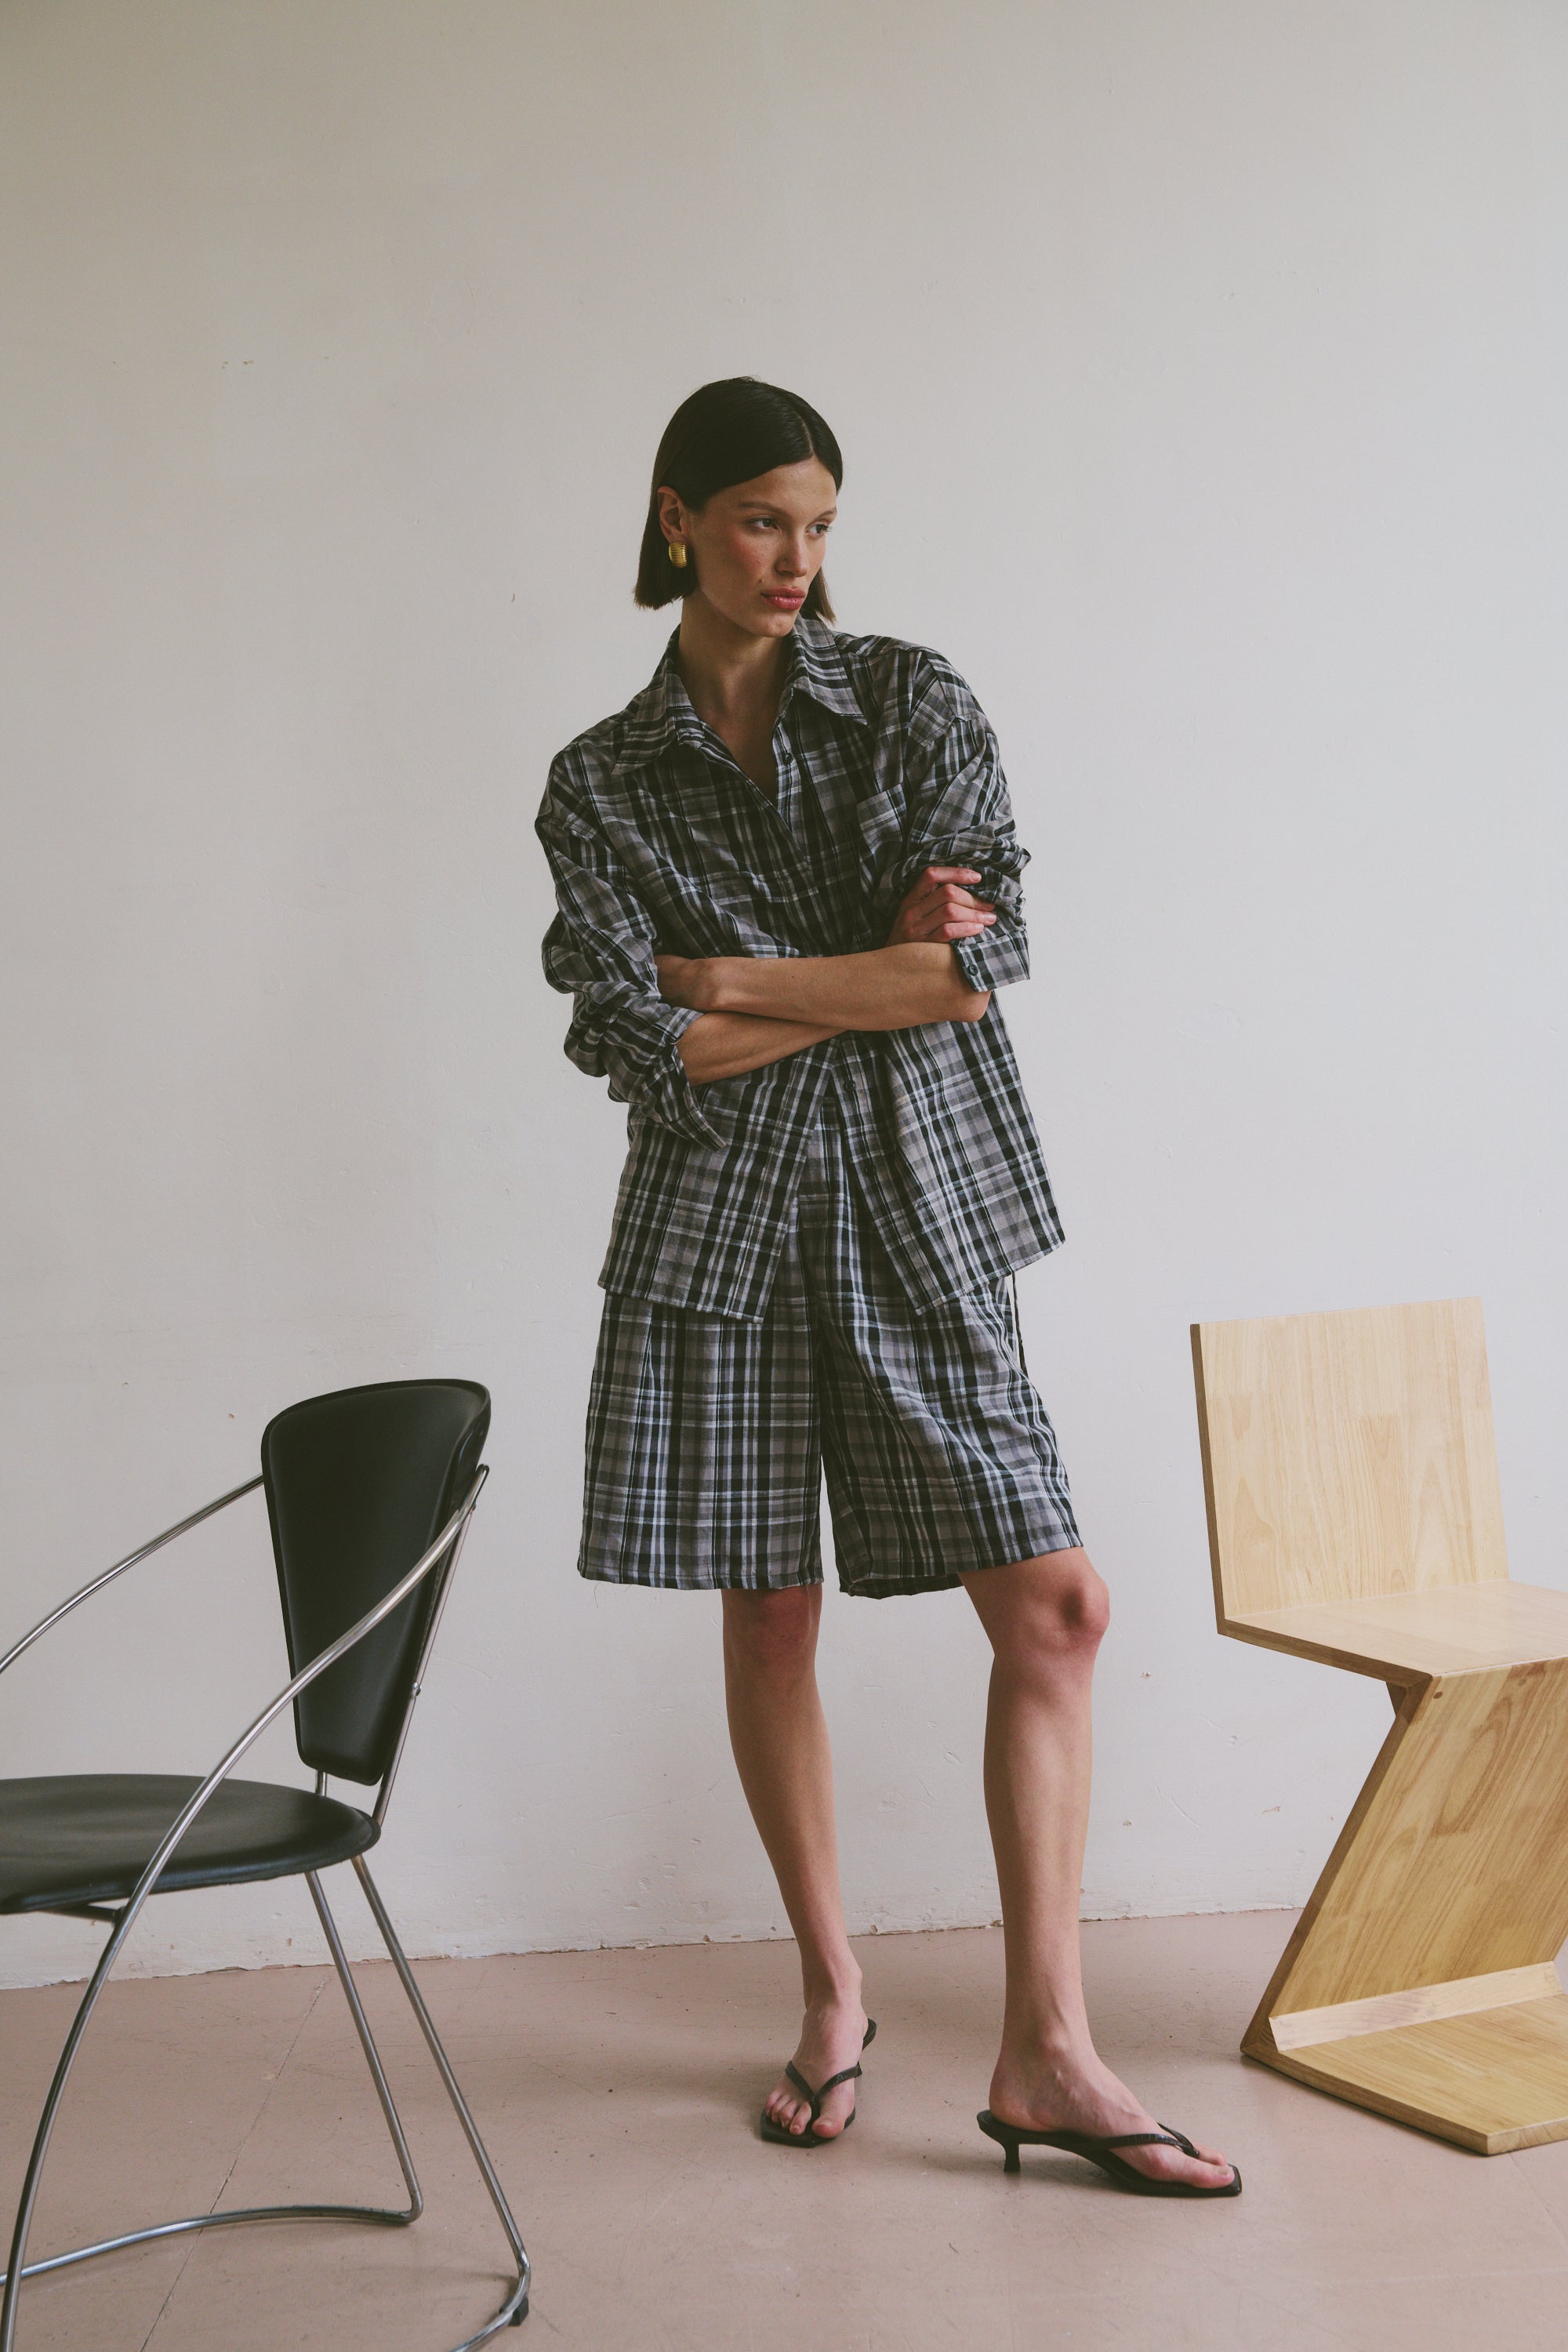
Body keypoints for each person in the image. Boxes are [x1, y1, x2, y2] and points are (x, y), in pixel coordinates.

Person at [536, 377, 1238, 2196]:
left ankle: (1046, 2050)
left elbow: (963, 979)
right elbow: (637, 1036)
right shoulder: (599, 781)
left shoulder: (913, 698)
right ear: (677, 516)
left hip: (923, 1208)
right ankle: (835, 1995)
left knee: (1056, 1608)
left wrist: (737, 976)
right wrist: (827, 971)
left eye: (822, 524)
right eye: (763, 518)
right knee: (770, 1615)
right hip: (716, 1238)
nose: (797, 559)